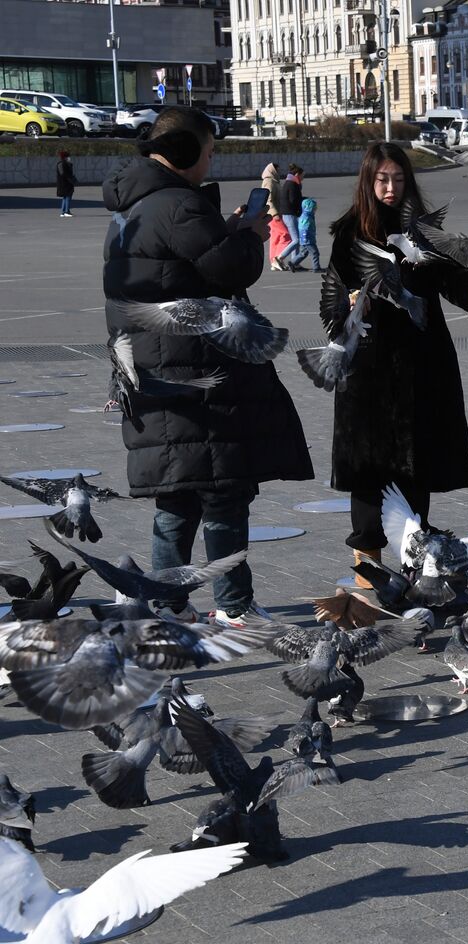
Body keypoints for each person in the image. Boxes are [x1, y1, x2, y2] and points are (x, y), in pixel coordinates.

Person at [102, 105, 313, 626]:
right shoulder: (177, 205)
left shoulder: (134, 205)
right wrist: (251, 238)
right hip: (197, 371)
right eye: (210, 151)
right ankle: (234, 607)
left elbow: (183, 268)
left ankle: (167, 602)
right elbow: (228, 268)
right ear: (184, 153)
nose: (211, 161)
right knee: (223, 492)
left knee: (177, 498)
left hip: (157, 366)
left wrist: (226, 228)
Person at [328, 142, 468, 583]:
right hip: (370, 366)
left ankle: (416, 561)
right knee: (371, 469)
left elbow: (448, 274)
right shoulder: (350, 233)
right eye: (382, 179)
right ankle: (368, 571)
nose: (391, 187)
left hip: (423, 361)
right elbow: (335, 296)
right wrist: (351, 302)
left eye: (399, 179)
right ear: (368, 182)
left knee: (417, 466)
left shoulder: (419, 230)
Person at [273, 164, 303, 271]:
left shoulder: (289, 183)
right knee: (296, 240)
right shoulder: (292, 184)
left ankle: (294, 262)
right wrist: (303, 203)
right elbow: (293, 200)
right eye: (302, 175)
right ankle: (279, 258)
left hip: (288, 214)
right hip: (290, 214)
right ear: (297, 174)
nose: (303, 178)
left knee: (295, 238)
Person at [287, 197, 322, 272]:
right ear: (309, 208)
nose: (315, 210)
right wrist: (305, 237)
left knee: (303, 253)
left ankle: (293, 263)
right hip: (307, 239)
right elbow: (304, 228)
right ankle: (316, 268)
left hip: (306, 239)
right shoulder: (306, 217)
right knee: (315, 253)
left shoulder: (307, 216)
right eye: (313, 208)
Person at [56, 150, 76, 217]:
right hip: (65, 183)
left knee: (65, 197)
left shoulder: (65, 163)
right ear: (65, 157)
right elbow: (63, 174)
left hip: (66, 183)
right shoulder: (62, 164)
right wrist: (71, 179)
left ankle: (63, 212)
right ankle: (66, 211)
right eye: (68, 156)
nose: (69, 158)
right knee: (67, 197)